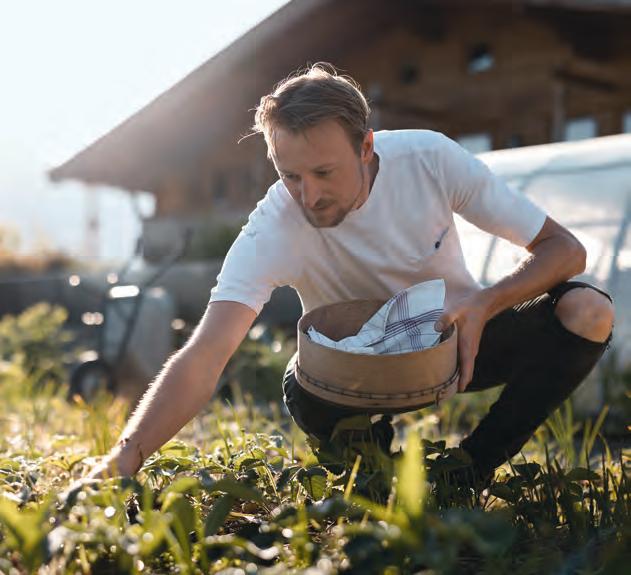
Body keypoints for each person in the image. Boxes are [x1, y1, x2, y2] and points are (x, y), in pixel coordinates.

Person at [86, 63, 614, 484]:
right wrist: (124, 457)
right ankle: (376, 477)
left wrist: (484, 303)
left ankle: (468, 471)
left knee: (588, 310)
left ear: (366, 147)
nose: (309, 195)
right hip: (346, 379)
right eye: (290, 175)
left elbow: (565, 250)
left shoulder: (430, 159)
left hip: (455, 346)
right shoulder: (274, 226)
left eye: (324, 172)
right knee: (306, 391)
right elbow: (205, 355)